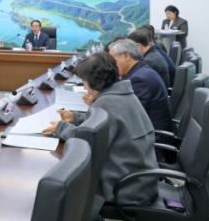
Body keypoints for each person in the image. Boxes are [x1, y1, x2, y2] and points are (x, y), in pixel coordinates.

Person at [42, 51, 159, 219]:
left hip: (126, 189)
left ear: (94, 82)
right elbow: (102, 124)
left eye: (84, 81)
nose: (84, 86)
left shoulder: (107, 102)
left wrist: (61, 127)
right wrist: (75, 117)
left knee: (63, 191)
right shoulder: (122, 93)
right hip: (141, 180)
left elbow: (86, 142)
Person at [108, 39, 173, 132]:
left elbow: (127, 115)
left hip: (153, 135)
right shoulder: (141, 70)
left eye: (112, 59)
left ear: (126, 56)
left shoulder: (140, 80)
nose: (111, 64)